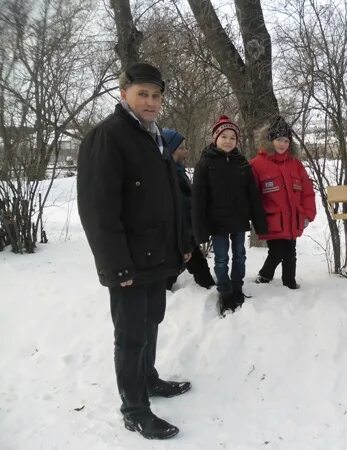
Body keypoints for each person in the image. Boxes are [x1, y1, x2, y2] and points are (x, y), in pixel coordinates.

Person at [77, 63, 191, 440]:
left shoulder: (154, 137)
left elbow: (170, 198)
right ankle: (134, 409)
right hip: (128, 261)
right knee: (131, 336)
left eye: (156, 95)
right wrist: (115, 266)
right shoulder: (107, 137)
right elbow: (98, 210)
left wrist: (181, 245)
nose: (151, 101)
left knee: (151, 322)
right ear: (123, 92)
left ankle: (149, 378)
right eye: (143, 93)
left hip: (157, 257)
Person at [192, 115, 267, 315]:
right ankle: (225, 292)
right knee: (221, 259)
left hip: (239, 221)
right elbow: (198, 199)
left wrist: (259, 223)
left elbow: (253, 195)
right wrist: (200, 230)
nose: (228, 141)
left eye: (232, 138)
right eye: (223, 136)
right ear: (215, 138)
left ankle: (237, 288)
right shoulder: (205, 163)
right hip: (217, 223)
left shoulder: (242, 163)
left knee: (240, 256)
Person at [250, 116, 316, 289]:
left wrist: (308, 213)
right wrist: (257, 217)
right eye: (279, 139)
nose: (282, 144)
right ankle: (264, 276)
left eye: (286, 140)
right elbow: (253, 195)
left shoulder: (295, 164)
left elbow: (307, 191)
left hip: (293, 218)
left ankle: (289, 282)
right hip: (272, 219)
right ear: (271, 139)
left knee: (290, 252)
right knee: (277, 252)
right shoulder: (257, 164)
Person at [162, 128, 216, 290]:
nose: (186, 151)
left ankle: (208, 288)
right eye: (181, 148)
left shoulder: (179, 170)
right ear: (169, 150)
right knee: (170, 273)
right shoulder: (166, 175)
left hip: (187, 234)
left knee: (199, 267)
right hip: (176, 235)